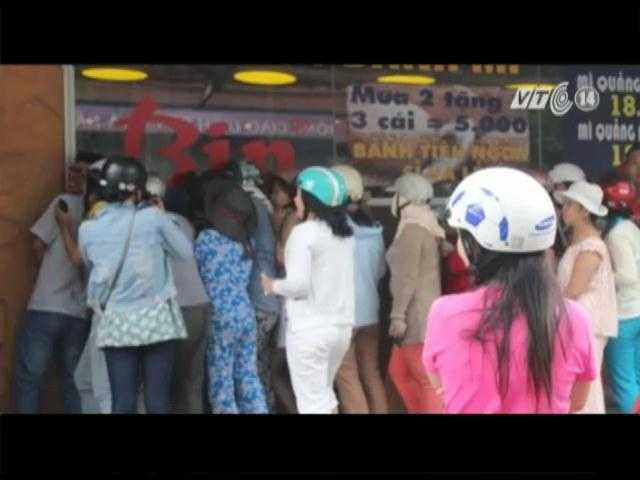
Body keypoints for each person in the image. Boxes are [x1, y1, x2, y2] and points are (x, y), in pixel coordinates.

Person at [423, 167, 597, 413]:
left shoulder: (444, 314)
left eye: (461, 235)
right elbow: (576, 401)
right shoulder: (576, 319)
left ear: (474, 244)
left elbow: (440, 386)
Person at [72, 156, 191, 414]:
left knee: (122, 402)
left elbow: (91, 265)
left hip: (116, 323)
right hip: (157, 323)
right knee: (157, 402)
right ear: (138, 190)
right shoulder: (152, 219)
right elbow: (185, 252)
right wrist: (162, 216)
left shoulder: (87, 230)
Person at [261, 167, 355, 414]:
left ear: (311, 200)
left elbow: (298, 286)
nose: (295, 200)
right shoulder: (345, 235)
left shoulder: (303, 233)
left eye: (299, 194)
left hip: (309, 331)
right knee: (325, 398)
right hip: (341, 329)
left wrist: (272, 285)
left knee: (313, 405)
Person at [13, 152, 100, 413]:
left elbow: (37, 245)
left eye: (81, 172)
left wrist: (49, 273)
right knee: (73, 382)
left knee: (30, 379)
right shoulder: (100, 214)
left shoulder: (63, 203)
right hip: (78, 312)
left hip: (47, 306)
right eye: (72, 170)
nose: (73, 176)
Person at [194, 178, 268, 414]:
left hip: (220, 315)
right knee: (248, 373)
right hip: (245, 312)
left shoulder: (207, 239)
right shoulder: (248, 243)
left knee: (222, 378)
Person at [222, 160, 281, 412]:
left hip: (257, 300)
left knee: (250, 370)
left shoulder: (248, 206)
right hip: (269, 301)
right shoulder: (264, 205)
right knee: (261, 367)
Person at [148, 177, 211, 415]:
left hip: (179, 310)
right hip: (201, 306)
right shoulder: (185, 223)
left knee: (168, 384)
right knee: (193, 382)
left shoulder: (150, 226)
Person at [554, 181, 618, 413]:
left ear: (585, 211)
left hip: (587, 323)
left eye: (570, 204)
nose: (564, 209)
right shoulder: (580, 243)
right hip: (577, 321)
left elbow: (573, 290)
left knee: (584, 386)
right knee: (579, 384)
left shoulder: (591, 246)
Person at [385, 173, 445, 413]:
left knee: (424, 379)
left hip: (415, 316)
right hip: (425, 312)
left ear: (405, 199)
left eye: (396, 194)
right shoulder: (427, 225)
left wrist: (397, 316)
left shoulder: (411, 230)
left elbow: (405, 278)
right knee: (399, 371)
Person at [331, 165, 389, 414]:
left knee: (347, 376)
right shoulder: (375, 229)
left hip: (345, 313)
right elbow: (381, 271)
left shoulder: (335, 229)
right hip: (371, 311)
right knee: (371, 373)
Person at [600, 175, 640, 413]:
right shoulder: (632, 229)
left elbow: (626, 276)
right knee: (635, 378)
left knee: (625, 384)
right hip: (636, 311)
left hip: (624, 314)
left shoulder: (616, 234)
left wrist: (600, 276)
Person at [262, 173, 299, 413]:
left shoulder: (291, 218)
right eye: (273, 192)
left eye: (280, 190)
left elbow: (281, 258)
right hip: (288, 296)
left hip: (287, 294)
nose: (277, 196)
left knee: (276, 367)